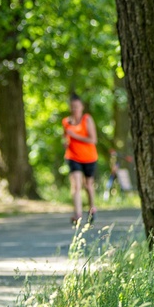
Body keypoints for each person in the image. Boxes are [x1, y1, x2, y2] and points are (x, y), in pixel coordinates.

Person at [62, 93, 98, 224]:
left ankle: (91, 209)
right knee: (76, 185)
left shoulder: (87, 119)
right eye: (72, 107)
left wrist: (75, 136)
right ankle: (77, 214)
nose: (74, 109)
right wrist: (65, 142)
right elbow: (65, 137)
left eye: (76, 107)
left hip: (89, 157)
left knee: (88, 185)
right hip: (73, 157)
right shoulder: (66, 122)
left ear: (82, 107)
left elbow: (93, 139)